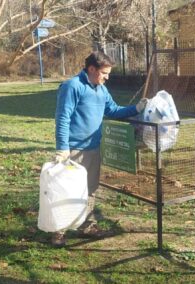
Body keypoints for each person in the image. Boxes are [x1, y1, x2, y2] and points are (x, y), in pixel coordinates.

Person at [53, 51, 147, 246]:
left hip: (93, 148)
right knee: (67, 191)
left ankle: (87, 226)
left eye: (108, 73)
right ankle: (58, 233)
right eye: (104, 73)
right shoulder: (72, 86)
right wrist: (62, 148)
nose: (107, 77)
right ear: (92, 69)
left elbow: (113, 110)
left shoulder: (101, 89)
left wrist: (136, 109)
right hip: (73, 150)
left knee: (90, 190)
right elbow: (62, 118)